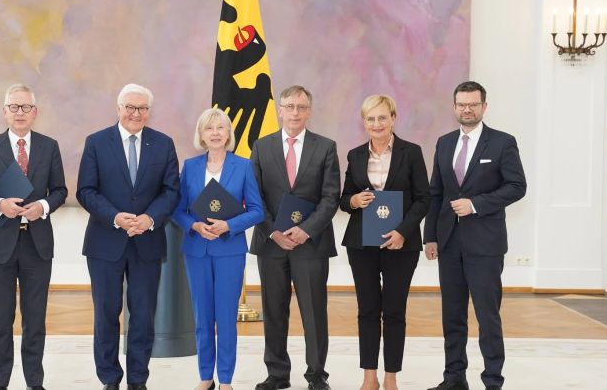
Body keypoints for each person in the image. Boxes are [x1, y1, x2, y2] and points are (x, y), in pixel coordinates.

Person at [0, 84, 67, 390]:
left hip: (37, 245)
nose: (20, 113)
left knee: (35, 322)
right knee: (0, 321)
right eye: (14, 107)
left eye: (26, 107)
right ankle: (1, 383)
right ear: (4, 111)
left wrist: (43, 206)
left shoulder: (49, 147)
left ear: (35, 112)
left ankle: (35, 383)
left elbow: (60, 190)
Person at [77, 83, 180, 390]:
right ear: (119, 108)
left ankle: (138, 379)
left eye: (143, 108)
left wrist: (149, 218)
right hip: (105, 241)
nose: (136, 114)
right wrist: (115, 217)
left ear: (149, 112)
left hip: (147, 240)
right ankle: (109, 378)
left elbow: (171, 190)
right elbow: (86, 190)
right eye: (131, 107)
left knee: (143, 315)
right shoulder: (96, 142)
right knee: (106, 314)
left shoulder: (163, 144)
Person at [424, 81, 526, 390]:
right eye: (461, 104)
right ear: (454, 107)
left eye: (473, 104)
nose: (466, 109)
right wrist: (430, 236)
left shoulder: (502, 142)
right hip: (449, 243)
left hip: (486, 245)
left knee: (487, 316)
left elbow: (517, 186)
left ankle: (492, 380)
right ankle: (454, 379)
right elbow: (436, 193)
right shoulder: (443, 143)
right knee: (452, 316)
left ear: (484, 106)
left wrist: (476, 205)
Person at [249, 85, 340, 390]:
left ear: (309, 111)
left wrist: (306, 230)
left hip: (310, 244)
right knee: (274, 311)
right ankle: (277, 374)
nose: (295, 113)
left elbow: (330, 197)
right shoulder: (261, 147)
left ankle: (316, 375)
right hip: (271, 242)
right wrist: (273, 231)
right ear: (280, 109)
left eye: (301, 107)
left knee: (314, 312)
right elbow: (254, 196)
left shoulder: (326, 147)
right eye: (289, 106)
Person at [339, 95, 430, 390]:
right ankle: (369, 376)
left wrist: (403, 231)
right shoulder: (354, 155)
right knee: (367, 310)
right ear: (364, 122)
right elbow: (344, 199)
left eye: (382, 117)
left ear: (393, 118)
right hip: (361, 244)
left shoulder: (412, 152)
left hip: (401, 244)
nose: (376, 124)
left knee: (393, 310)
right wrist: (353, 200)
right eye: (370, 119)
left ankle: (391, 377)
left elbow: (423, 198)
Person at [172, 108, 264, 390]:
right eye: (209, 128)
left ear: (228, 134)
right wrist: (194, 226)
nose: (215, 133)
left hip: (229, 251)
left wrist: (229, 225)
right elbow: (177, 209)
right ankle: (205, 377)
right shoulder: (190, 166)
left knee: (226, 319)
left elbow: (257, 211)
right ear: (201, 134)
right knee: (202, 318)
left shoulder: (244, 166)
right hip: (197, 250)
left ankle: (225, 380)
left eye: (220, 128)